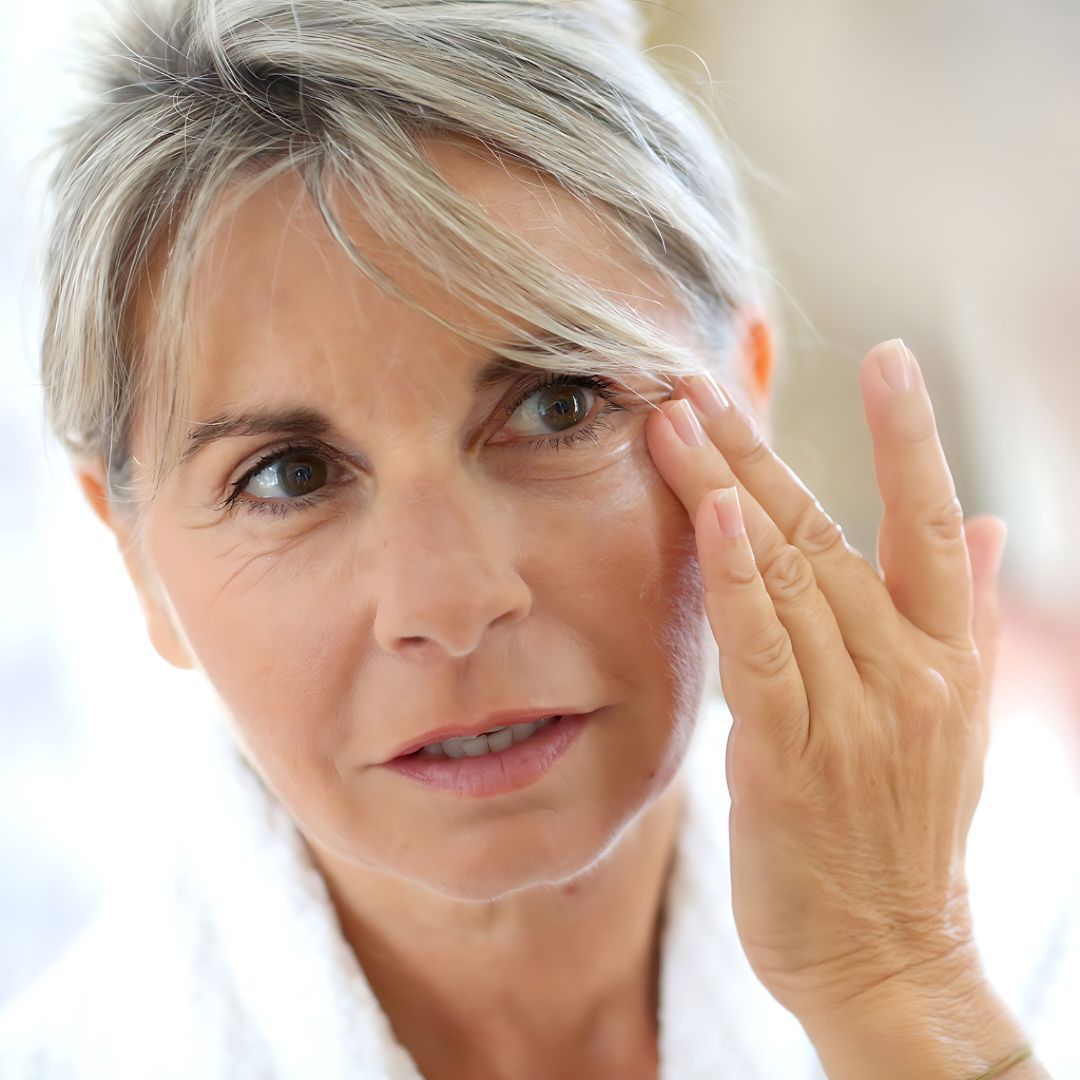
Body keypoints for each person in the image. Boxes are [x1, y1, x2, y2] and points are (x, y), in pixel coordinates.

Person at [0, 1, 1064, 1077]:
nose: (450, 605)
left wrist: (895, 985)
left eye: (558, 407)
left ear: (745, 389)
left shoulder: (1037, 954)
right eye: (290, 477)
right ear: (134, 557)